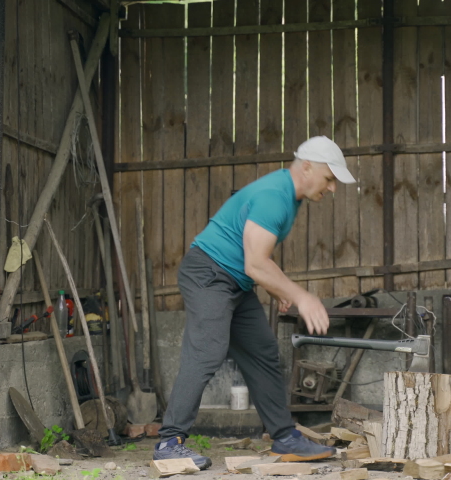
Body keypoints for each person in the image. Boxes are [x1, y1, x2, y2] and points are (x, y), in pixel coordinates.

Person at [152, 136, 357, 469]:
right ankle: (169, 441)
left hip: (235, 280)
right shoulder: (274, 197)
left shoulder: (292, 196)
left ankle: (285, 438)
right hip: (209, 272)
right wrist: (300, 296)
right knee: (207, 350)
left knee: (263, 352)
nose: (332, 188)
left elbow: (254, 258)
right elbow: (256, 263)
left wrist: (278, 290)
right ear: (306, 168)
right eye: (329, 179)